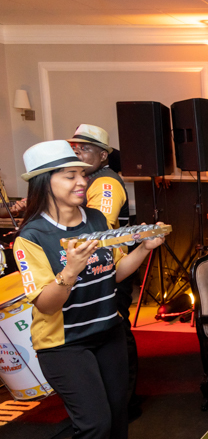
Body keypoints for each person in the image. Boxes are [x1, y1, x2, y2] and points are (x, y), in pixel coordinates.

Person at [13, 140, 164, 439]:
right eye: (70, 175)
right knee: (94, 422)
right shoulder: (31, 237)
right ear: (45, 182)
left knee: (116, 415)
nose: (82, 181)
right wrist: (70, 270)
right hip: (64, 345)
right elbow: (47, 305)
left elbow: (114, 273)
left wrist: (144, 248)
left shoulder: (96, 219)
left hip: (107, 331)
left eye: (82, 174)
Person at [66, 124, 141, 419]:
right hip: (96, 266)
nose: (78, 154)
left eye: (85, 149)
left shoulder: (105, 182)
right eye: (75, 149)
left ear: (103, 155)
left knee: (117, 331)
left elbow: (98, 226)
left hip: (111, 267)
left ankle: (126, 403)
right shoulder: (87, 179)